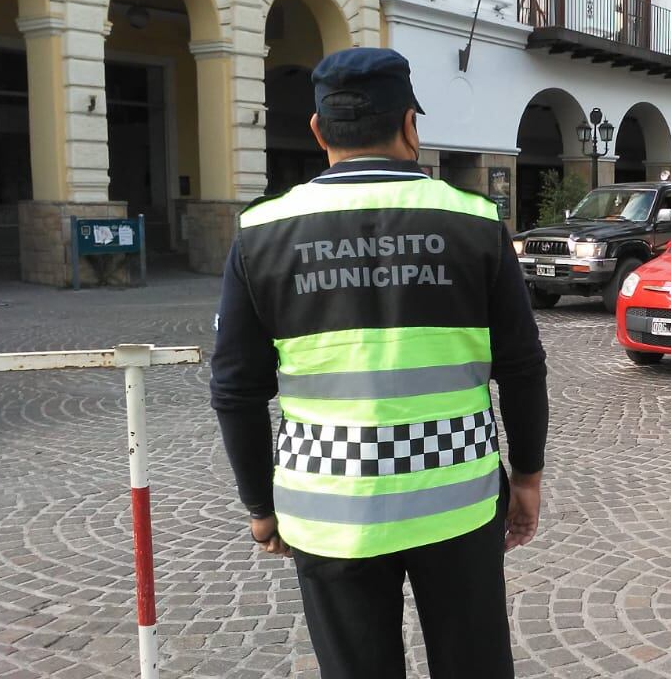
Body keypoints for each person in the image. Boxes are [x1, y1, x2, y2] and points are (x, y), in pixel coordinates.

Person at [209, 47, 549, 679]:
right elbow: (524, 369)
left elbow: (235, 390)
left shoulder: (261, 231)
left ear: (318, 130)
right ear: (411, 126)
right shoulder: (475, 222)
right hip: (459, 501)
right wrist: (526, 478)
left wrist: (261, 507)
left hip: (328, 505)